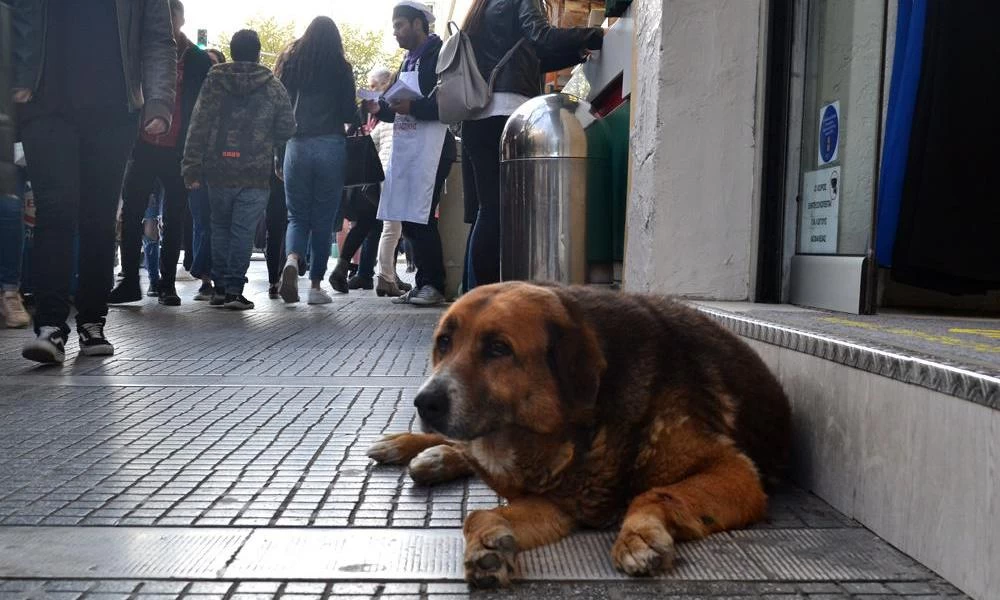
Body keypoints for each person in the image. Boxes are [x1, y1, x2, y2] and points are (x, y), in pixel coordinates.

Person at [14, 0, 176, 363]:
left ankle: (92, 319)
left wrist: (160, 102)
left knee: (98, 218)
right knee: (55, 210)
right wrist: (17, 77)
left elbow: (157, 38)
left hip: (114, 109)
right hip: (45, 103)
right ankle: (51, 325)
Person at [461, 0, 602, 288]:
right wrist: (594, 35)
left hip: (477, 119)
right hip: (510, 115)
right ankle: (495, 293)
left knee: (488, 211)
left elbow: (530, 53)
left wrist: (576, 51)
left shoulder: (481, 8)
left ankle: (475, 293)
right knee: (512, 213)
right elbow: (541, 36)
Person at [182, 29, 295, 311]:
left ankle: (219, 288)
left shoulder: (214, 80)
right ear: (258, 53)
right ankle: (234, 289)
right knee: (242, 230)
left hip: (217, 167)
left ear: (232, 51)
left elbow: (199, 123)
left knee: (219, 226)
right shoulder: (272, 84)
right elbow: (287, 127)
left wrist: (191, 165)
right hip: (255, 171)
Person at [110, 0, 211, 307]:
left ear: (181, 19)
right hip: (141, 146)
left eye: (171, 16)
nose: (165, 21)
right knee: (132, 215)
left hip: (179, 149)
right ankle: (129, 280)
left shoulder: (199, 60)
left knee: (175, 216)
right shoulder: (140, 50)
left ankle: (167, 284)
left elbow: (204, 110)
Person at [365, 1, 456, 307]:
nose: (395, 32)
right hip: (410, 148)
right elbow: (399, 111)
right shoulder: (408, 61)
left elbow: (448, 104)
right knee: (409, 215)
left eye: (400, 25)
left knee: (422, 216)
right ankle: (422, 284)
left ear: (419, 24)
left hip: (434, 148)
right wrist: (381, 109)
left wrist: (413, 107)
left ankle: (434, 283)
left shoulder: (439, 55)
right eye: (394, 26)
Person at [275, 17, 357, 305]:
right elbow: (350, 113)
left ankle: (293, 259)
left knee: (296, 216)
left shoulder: (292, 64)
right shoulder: (340, 68)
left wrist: (278, 154)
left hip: (296, 145)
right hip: (330, 145)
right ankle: (315, 287)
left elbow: (281, 109)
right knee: (323, 221)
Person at [330, 67, 402, 295]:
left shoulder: (389, 108)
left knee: (369, 223)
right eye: (369, 87)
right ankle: (378, 274)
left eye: (375, 86)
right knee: (379, 224)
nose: (371, 91)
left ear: (385, 85)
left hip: (371, 175)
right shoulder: (366, 112)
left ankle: (352, 270)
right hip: (370, 175)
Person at [186, 47, 227, 301]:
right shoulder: (194, 98)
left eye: (213, 64)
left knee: (217, 225)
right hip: (200, 169)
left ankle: (209, 274)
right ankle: (205, 277)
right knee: (203, 224)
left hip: (223, 170)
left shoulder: (225, 98)